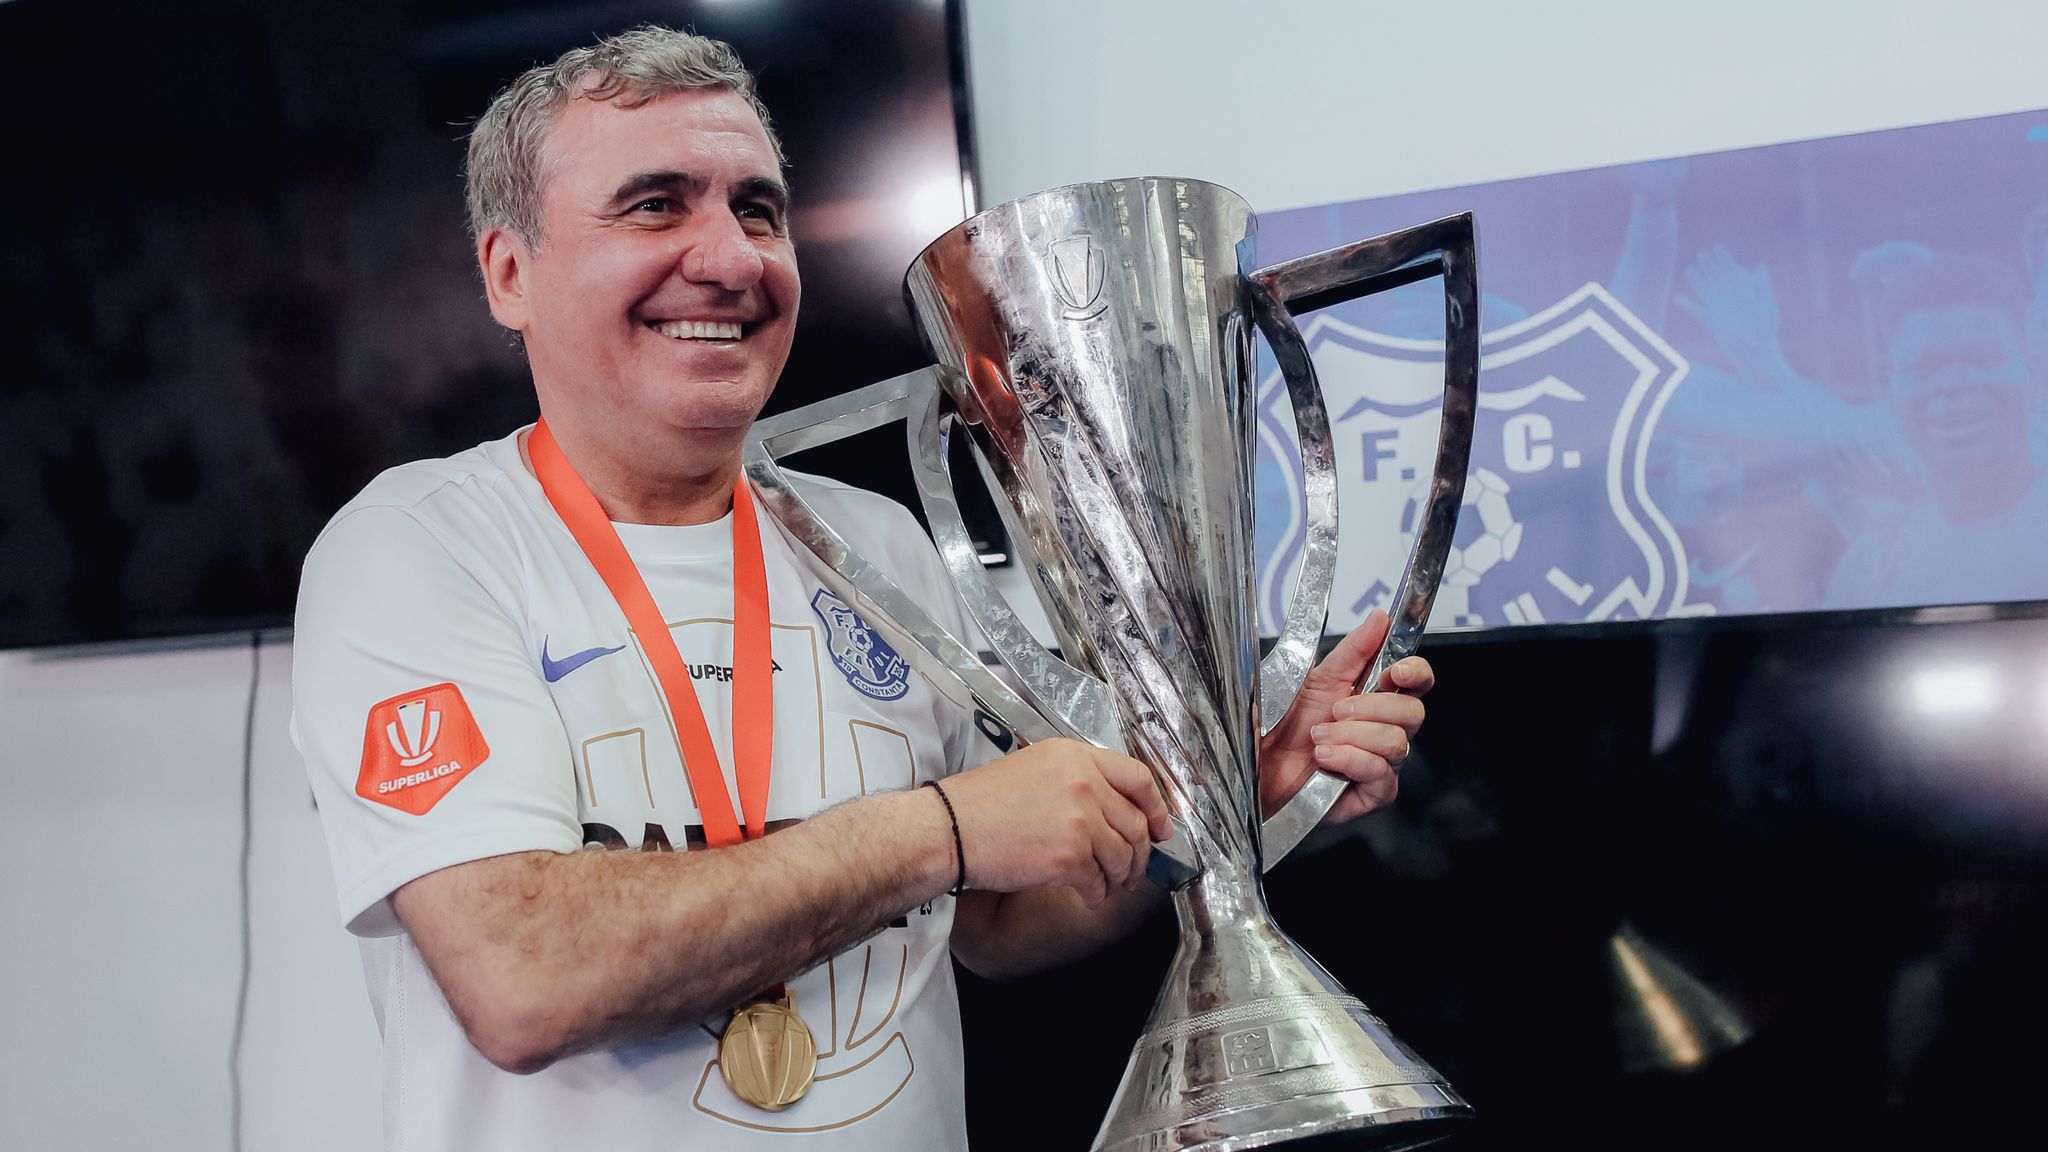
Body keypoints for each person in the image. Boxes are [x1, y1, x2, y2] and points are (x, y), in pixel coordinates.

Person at [292, 26, 1434, 1151]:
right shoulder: (416, 548)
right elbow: (524, 976)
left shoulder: (877, 541)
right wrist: (938, 828)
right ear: (508, 272)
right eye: (654, 204)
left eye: (756, 208)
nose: (730, 257)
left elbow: (995, 918)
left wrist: (1222, 801)